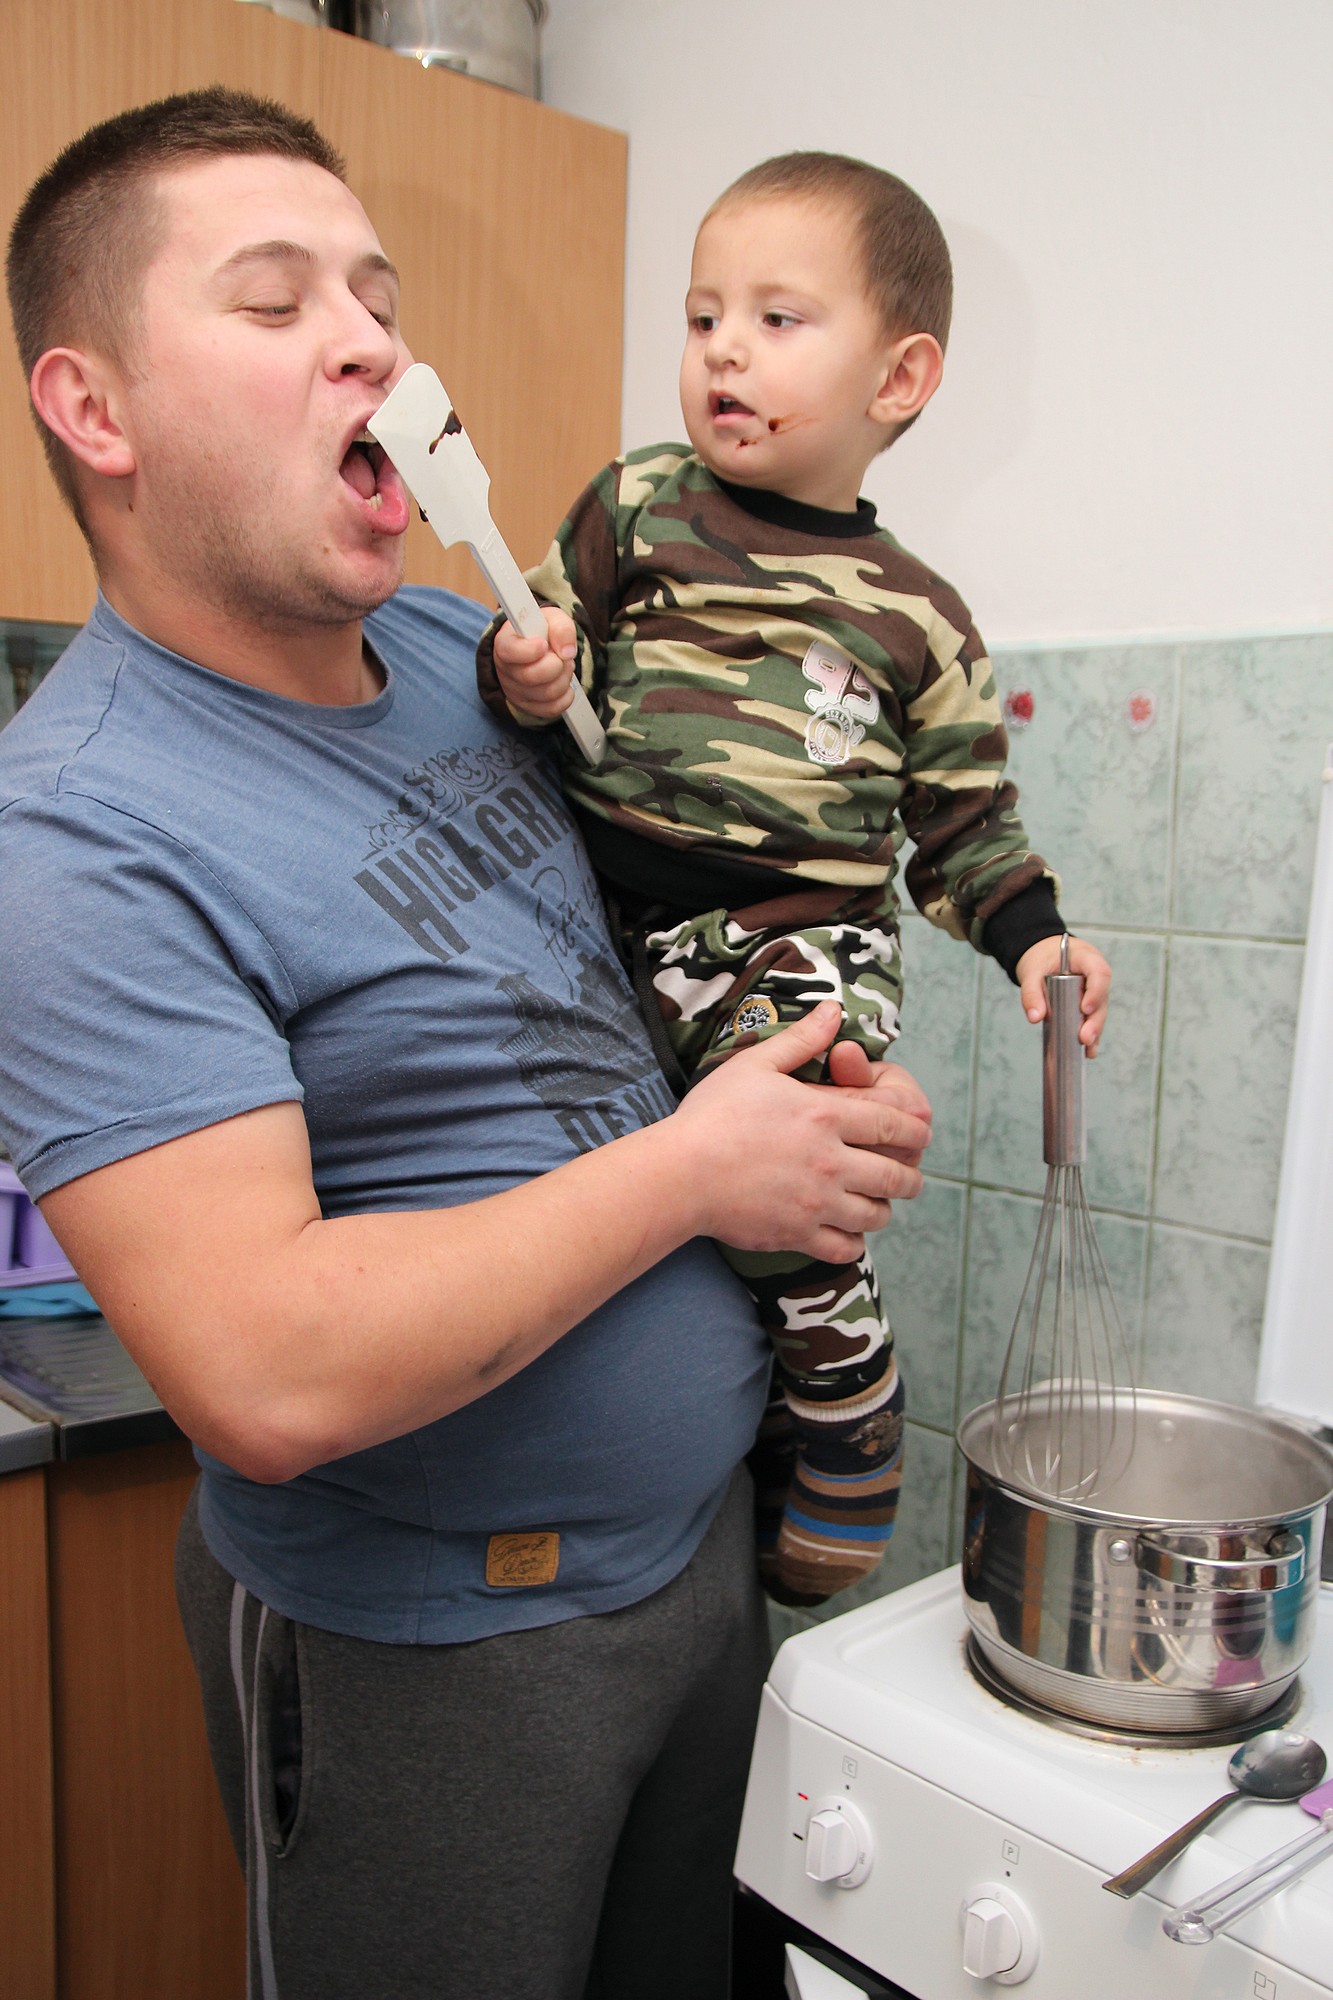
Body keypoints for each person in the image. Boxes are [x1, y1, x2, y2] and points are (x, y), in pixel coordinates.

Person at [0, 92, 933, 2000]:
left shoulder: (463, 656)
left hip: (694, 1563)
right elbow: (264, 1371)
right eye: (276, 305)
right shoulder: (76, 835)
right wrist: (698, 1173)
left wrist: (801, 1077)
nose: (367, 339)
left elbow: (659, 943)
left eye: (377, 295)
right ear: (94, 410)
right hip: (431, 1649)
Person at [480, 151, 1112, 1608]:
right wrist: (526, 670)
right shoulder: (637, 504)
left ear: (899, 379)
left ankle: (842, 1396)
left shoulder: (919, 621)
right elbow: (535, 644)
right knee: (621, 1194)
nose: (723, 351)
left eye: (776, 320)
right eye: (703, 316)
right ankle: (747, 1394)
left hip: (798, 943)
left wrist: (1037, 939)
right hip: (604, 936)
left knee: (790, 1146)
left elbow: (966, 828)